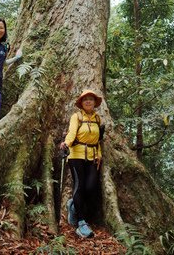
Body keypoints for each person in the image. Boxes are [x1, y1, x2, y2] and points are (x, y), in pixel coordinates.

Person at [60, 89, 103, 239]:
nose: (88, 101)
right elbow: (72, 133)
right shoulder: (76, 117)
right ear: (81, 103)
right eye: (85, 99)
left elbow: (99, 140)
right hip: (76, 155)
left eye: (91, 99)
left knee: (90, 187)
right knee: (79, 185)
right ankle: (81, 223)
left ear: (94, 103)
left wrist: (99, 155)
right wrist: (66, 144)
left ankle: (73, 205)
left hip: (92, 157)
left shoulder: (98, 119)